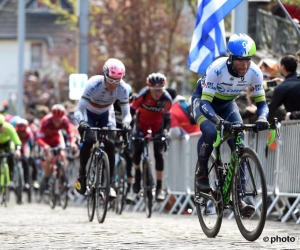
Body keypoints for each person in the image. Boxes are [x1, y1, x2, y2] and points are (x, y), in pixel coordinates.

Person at [191, 33, 269, 217]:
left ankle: (239, 198)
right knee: (210, 132)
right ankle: (202, 172)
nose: (244, 65)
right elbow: (204, 103)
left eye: (248, 60)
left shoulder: (255, 72)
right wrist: (218, 121)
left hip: (227, 105)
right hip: (204, 103)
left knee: (239, 142)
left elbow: (262, 104)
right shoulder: (217, 69)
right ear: (231, 58)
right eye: (240, 60)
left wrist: (262, 118)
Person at [74, 58, 132, 199]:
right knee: (88, 141)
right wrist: (82, 122)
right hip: (89, 113)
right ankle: (82, 175)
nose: (113, 85)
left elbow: (127, 114)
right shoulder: (93, 84)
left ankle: (110, 184)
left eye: (117, 81)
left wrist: (125, 124)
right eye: (111, 80)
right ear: (105, 75)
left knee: (110, 144)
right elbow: (79, 110)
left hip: (107, 114)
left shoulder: (123, 88)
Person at [130, 73, 172, 201]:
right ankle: (137, 173)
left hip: (157, 125)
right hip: (141, 124)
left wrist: (165, 131)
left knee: (158, 154)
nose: (158, 93)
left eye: (160, 90)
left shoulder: (166, 99)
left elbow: (167, 118)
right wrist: (130, 127)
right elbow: (132, 111)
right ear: (149, 88)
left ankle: (159, 188)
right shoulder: (142, 95)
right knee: (136, 152)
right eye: (155, 91)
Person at [36, 104, 77, 191]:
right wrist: (46, 146)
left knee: (62, 155)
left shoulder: (65, 120)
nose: (57, 122)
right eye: (55, 120)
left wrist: (72, 143)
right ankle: (46, 180)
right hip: (46, 141)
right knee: (48, 158)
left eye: (59, 120)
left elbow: (70, 134)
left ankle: (62, 176)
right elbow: (39, 138)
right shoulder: (46, 121)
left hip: (57, 139)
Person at [268, 55, 300, 122]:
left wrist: (255, 110)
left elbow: (270, 108)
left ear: (282, 67)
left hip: (295, 125)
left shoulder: (282, 87)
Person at [0, 114, 22, 188]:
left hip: (7, 144)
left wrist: (17, 150)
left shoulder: (9, 127)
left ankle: (11, 178)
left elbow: (17, 140)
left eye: (0, 126)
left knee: (12, 156)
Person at [15, 118, 35, 190]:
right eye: (20, 132)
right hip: (16, 147)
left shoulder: (29, 133)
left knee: (26, 161)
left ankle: (26, 182)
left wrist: (31, 153)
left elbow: (31, 144)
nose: (22, 134)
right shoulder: (15, 132)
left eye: (23, 132)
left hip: (25, 148)